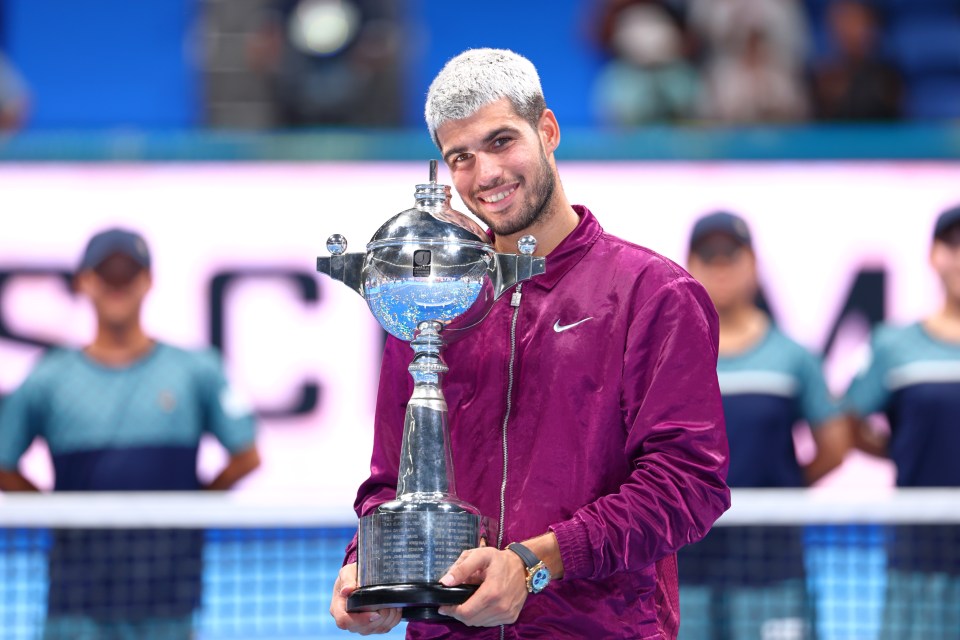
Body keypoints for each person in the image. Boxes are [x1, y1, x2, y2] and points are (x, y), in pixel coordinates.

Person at [329, 48, 730, 638]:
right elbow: (392, 482)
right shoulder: (433, 298)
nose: (485, 174)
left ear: (547, 130)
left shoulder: (654, 293)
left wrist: (535, 563)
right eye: (460, 156)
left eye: (500, 141)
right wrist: (366, 565)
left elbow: (689, 483)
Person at [0, 228, 261, 640]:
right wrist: (53, 514)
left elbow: (247, 455)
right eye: (106, 273)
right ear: (84, 282)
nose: (117, 285)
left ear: (148, 281)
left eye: (129, 273)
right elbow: (3, 463)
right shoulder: (49, 379)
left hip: (167, 601)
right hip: (76, 603)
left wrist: (193, 509)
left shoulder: (195, 371)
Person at [678, 211, 851, 640]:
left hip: (774, 566)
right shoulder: (672, 361)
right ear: (690, 265)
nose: (721, 267)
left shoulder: (793, 358)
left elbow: (834, 446)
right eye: (708, 256)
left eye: (731, 255)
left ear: (753, 264)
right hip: (688, 565)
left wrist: (782, 490)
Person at [844, 204, 960, 639]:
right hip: (919, 550)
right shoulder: (895, 346)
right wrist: (903, 451)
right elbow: (849, 420)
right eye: (954, 245)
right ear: (935, 256)